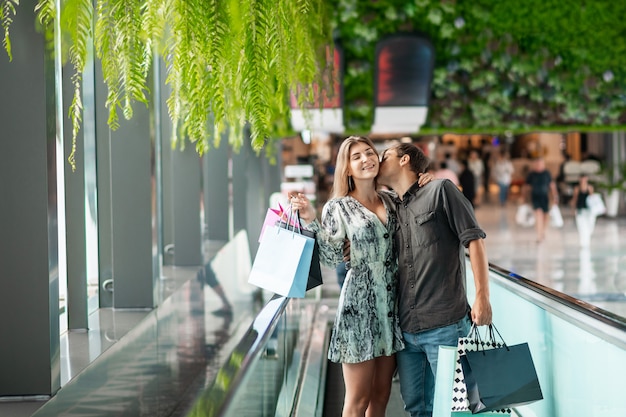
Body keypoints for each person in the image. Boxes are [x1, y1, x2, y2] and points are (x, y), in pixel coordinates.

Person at [291, 136, 431, 417]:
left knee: (380, 398)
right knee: (357, 401)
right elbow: (331, 258)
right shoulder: (338, 206)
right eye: (356, 157)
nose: (366, 159)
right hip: (358, 310)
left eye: (369, 153)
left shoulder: (393, 200)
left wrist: (425, 180)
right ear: (347, 168)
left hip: (391, 309)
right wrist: (310, 220)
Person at [377, 143, 493, 417]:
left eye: (385, 156)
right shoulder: (390, 205)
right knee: (416, 406)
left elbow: (474, 240)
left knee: (455, 409)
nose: (379, 161)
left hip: (446, 325)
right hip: (406, 331)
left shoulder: (441, 191)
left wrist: (482, 296)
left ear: (404, 160)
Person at [524, 157, 558, 243]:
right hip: (535, 197)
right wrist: (524, 197)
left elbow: (552, 185)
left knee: (545, 217)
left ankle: (543, 231)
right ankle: (539, 235)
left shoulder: (547, 173)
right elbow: (527, 187)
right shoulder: (531, 174)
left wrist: (555, 196)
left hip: (545, 197)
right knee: (538, 215)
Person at [571, 174, 597, 248]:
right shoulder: (577, 188)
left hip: (588, 210)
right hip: (580, 210)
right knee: (581, 227)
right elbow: (575, 199)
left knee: (589, 226)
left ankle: (587, 240)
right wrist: (573, 209)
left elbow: (592, 199)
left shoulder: (590, 188)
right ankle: (584, 243)